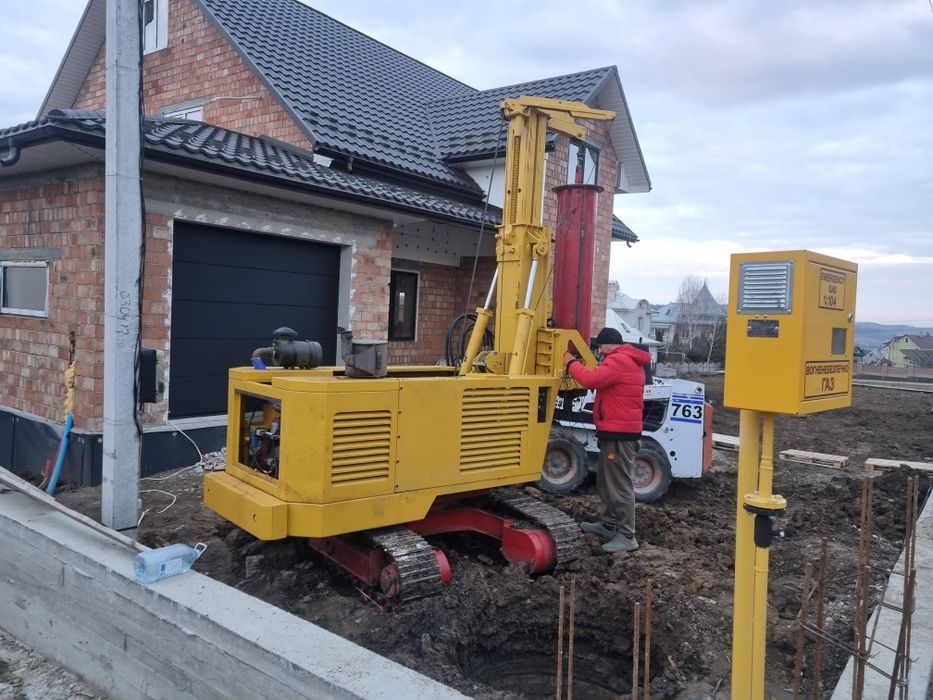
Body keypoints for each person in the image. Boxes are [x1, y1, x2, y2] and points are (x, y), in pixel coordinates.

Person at [563, 327, 651, 553]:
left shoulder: (619, 361)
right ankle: (608, 524)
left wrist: (570, 363)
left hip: (620, 436)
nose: (600, 352)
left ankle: (626, 535)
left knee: (619, 484)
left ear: (609, 344)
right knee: (605, 479)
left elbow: (590, 379)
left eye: (600, 347)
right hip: (614, 433)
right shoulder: (626, 360)